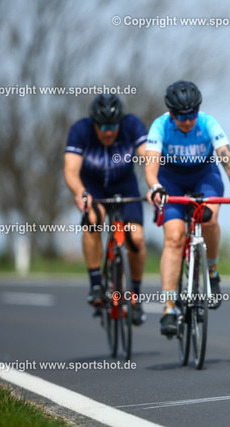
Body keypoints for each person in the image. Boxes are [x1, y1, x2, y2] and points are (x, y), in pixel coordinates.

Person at [145, 80, 230, 337]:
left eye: (192, 114)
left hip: (204, 176)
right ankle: (169, 307)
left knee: (209, 218)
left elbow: (228, 160)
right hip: (171, 179)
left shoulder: (208, 123)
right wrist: (155, 187)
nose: (188, 121)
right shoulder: (160, 126)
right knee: (174, 237)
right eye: (181, 116)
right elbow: (150, 167)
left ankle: (212, 270)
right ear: (171, 113)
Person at [64, 94, 148, 325]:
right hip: (94, 187)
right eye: (102, 127)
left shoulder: (131, 125)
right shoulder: (81, 130)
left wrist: (155, 185)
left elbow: (148, 158)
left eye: (112, 127)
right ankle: (96, 284)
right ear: (94, 123)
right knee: (92, 220)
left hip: (125, 185)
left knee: (136, 238)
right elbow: (70, 170)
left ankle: (135, 295)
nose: (108, 132)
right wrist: (81, 192)